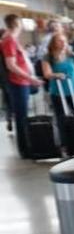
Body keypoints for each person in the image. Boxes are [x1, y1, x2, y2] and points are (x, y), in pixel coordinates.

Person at [2, 14, 43, 159]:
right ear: (17, 23)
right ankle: (25, 150)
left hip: (22, 82)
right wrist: (30, 78)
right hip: (17, 83)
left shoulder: (12, 40)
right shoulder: (9, 41)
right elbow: (11, 65)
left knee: (23, 116)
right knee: (21, 117)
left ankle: (27, 146)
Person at [40, 33, 74, 139]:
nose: (63, 43)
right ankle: (65, 142)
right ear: (53, 43)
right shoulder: (48, 57)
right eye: (60, 41)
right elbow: (47, 74)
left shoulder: (73, 55)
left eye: (64, 41)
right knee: (61, 118)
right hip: (58, 92)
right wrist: (56, 75)